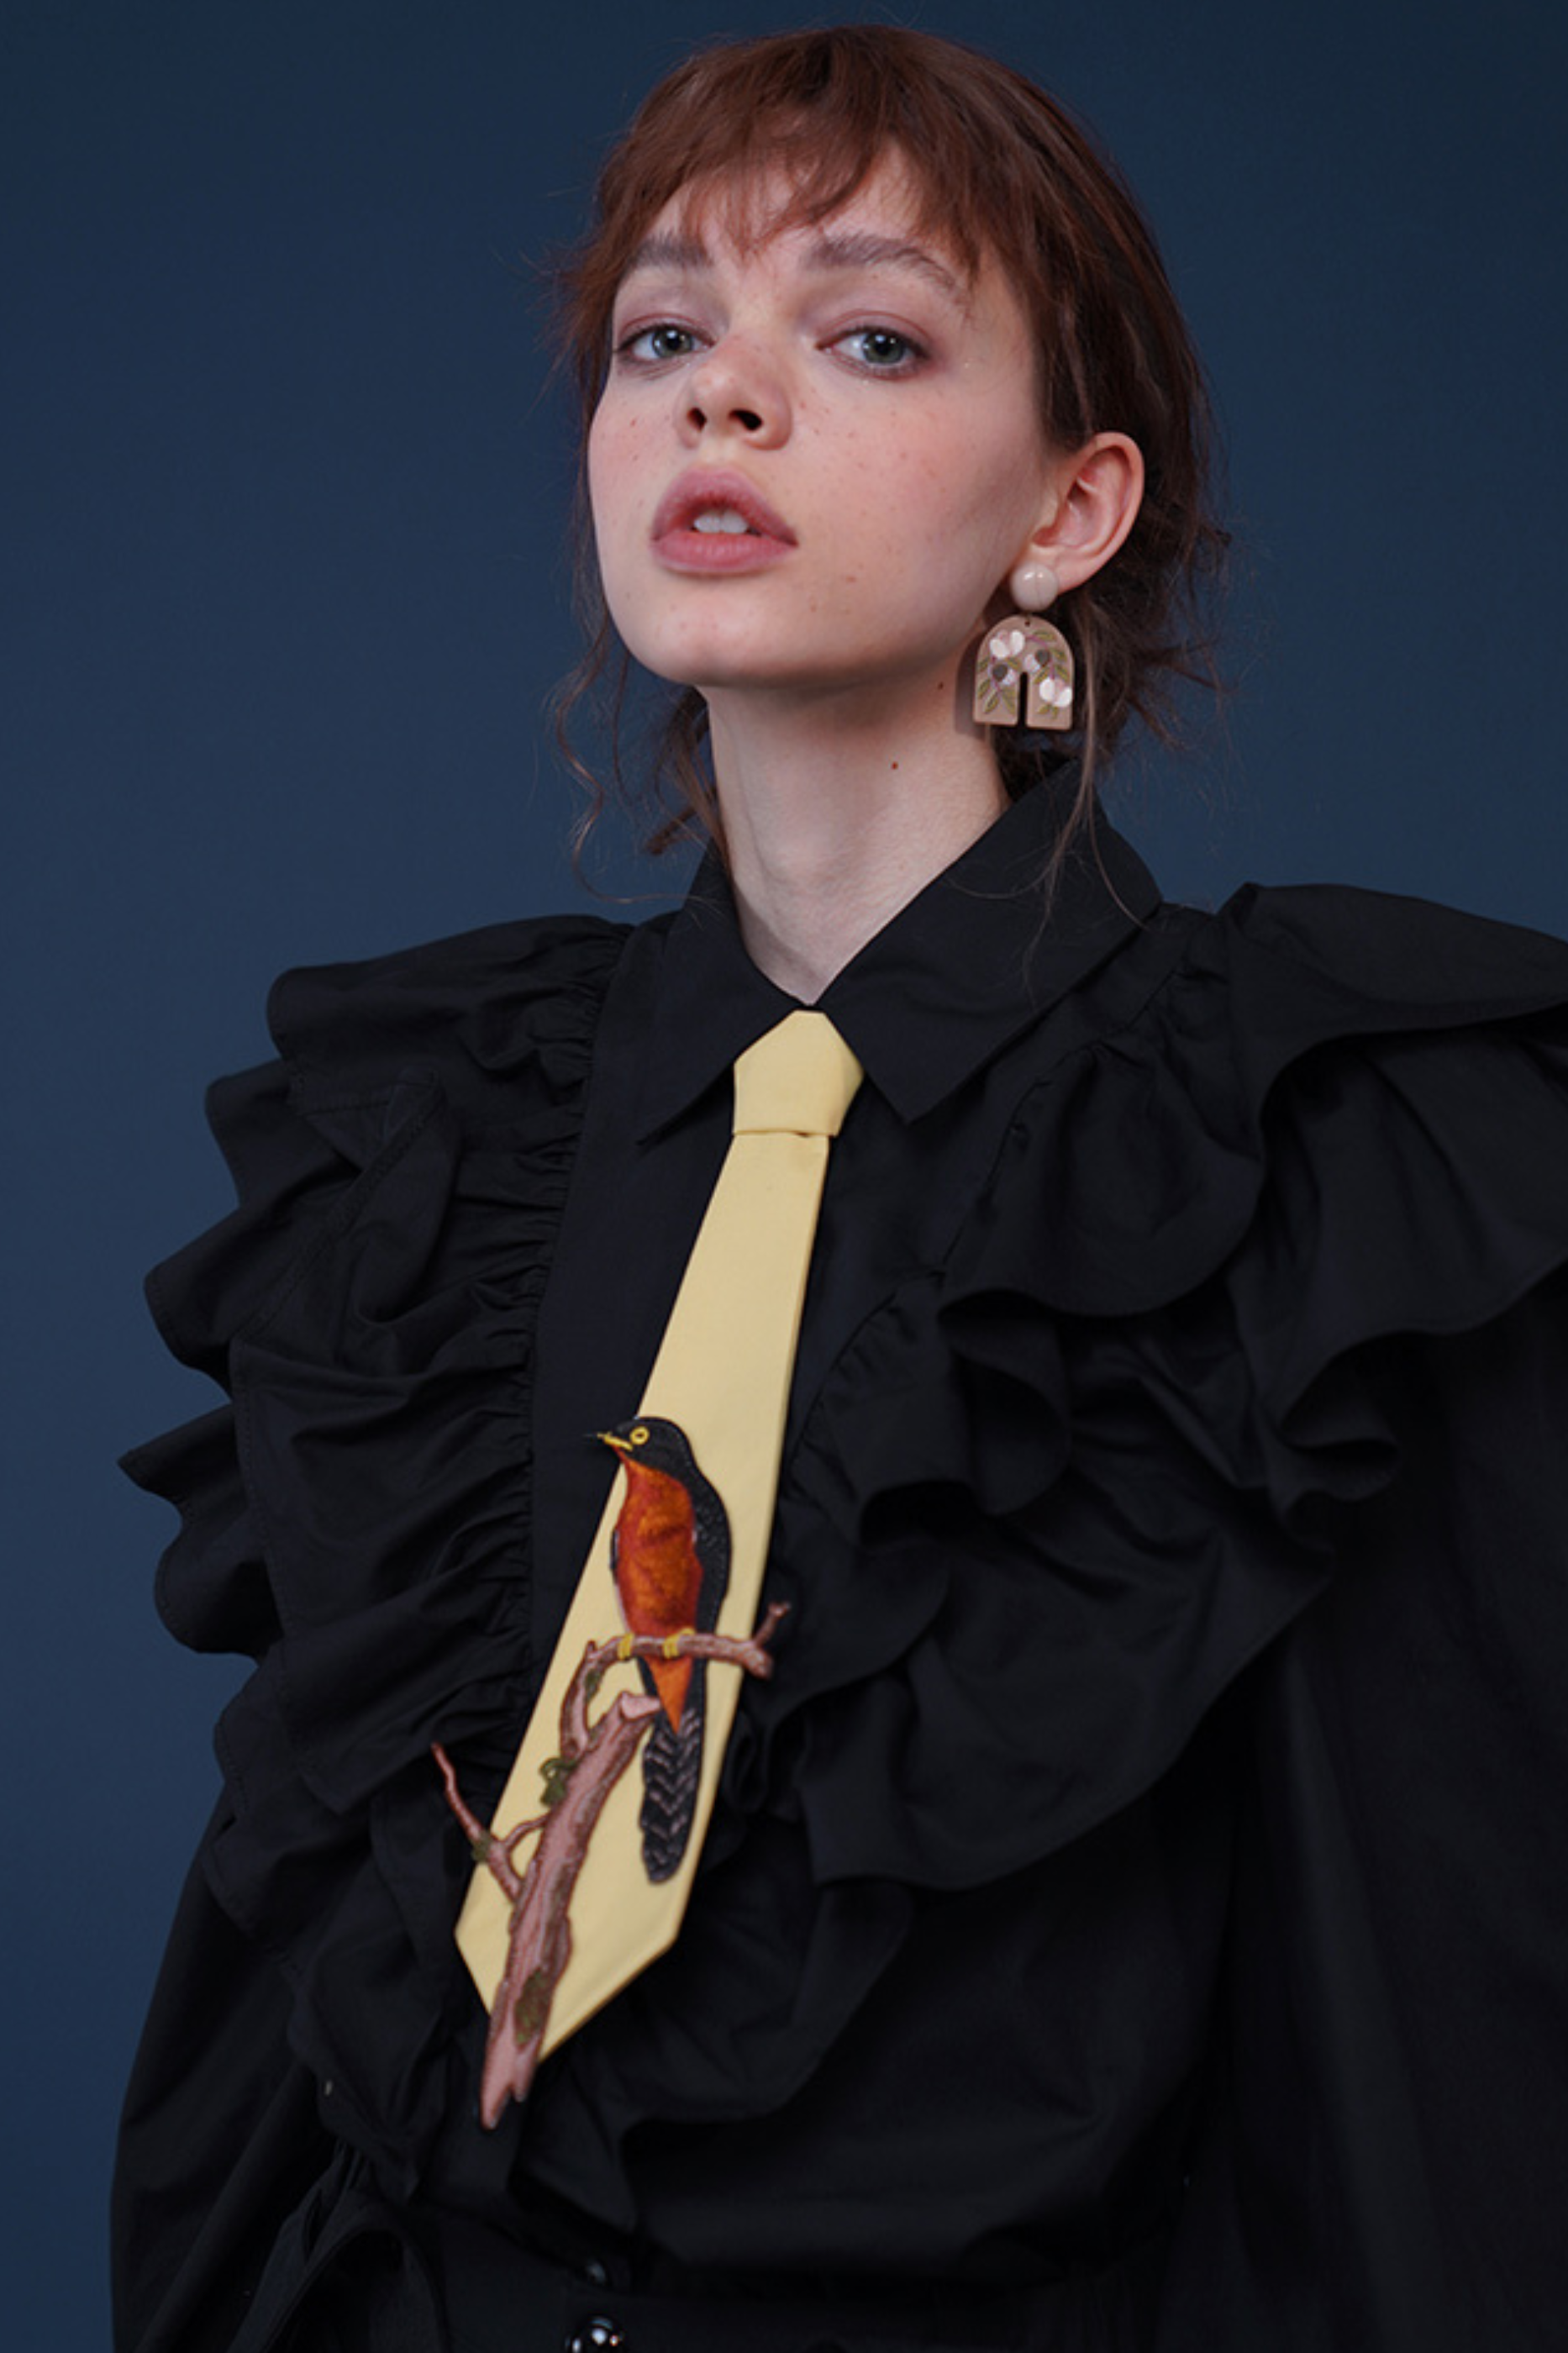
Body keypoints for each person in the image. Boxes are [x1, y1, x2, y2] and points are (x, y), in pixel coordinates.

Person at [113, 24, 1568, 2353]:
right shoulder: (422, 1153)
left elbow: (1428, 2080)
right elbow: (258, 2032)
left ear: (1069, 512)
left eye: (869, 337)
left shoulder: (1311, 1157)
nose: (723, 395)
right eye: (660, 337)